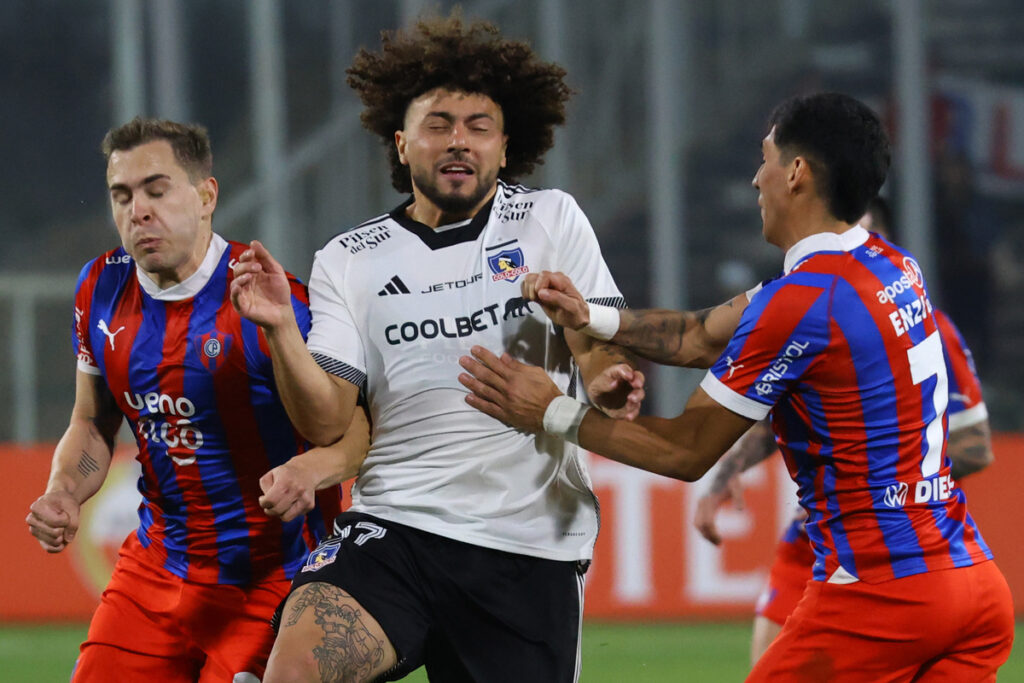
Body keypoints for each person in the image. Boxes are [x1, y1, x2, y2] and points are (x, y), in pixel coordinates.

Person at [459, 92, 1014, 681]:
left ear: (796, 174)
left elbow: (684, 451)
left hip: (882, 597)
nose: (756, 180)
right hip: (972, 586)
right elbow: (699, 335)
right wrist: (589, 315)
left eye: (766, 159)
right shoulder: (891, 265)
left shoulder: (801, 301)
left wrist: (551, 411)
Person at [230, 14, 642, 683]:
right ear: (401, 143)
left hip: (526, 545)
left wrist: (609, 380)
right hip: (395, 529)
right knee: (295, 671)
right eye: (438, 123)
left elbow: (598, 350)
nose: (458, 140)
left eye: (479, 126)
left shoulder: (551, 219)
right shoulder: (348, 259)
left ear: (506, 147)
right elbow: (326, 419)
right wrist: (281, 329)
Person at [25, 117, 368, 682]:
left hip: (273, 579)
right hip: (156, 570)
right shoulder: (100, 288)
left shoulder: (271, 300)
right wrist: (64, 492)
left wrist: (309, 469)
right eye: (122, 195)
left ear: (207, 195)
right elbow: (92, 418)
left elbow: (354, 426)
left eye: (156, 190)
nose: (138, 210)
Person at [693, 195, 998, 666]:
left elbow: (976, 448)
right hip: (814, 539)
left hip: (891, 547)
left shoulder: (929, 328)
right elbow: (784, 406)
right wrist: (725, 472)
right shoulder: (816, 315)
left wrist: (884, 484)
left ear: (879, 242)